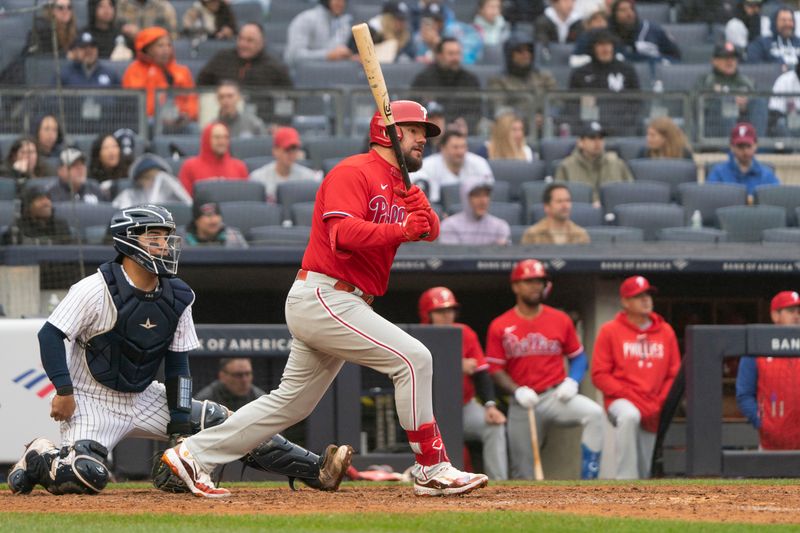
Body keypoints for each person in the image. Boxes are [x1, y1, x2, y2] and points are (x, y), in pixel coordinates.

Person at [160, 100, 489, 498]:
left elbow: (429, 231)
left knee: (290, 404)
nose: (423, 138)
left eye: (425, 132)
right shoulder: (353, 171)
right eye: (415, 130)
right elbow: (343, 235)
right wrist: (402, 228)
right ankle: (432, 465)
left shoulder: (397, 183)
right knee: (413, 358)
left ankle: (193, 454)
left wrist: (421, 215)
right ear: (388, 131)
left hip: (341, 300)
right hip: (326, 293)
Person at [6, 205, 353, 496]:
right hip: (92, 399)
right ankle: (42, 455)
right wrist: (64, 391)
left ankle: (316, 468)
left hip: (144, 396)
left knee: (228, 422)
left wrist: (180, 423)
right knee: (86, 476)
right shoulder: (94, 288)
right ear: (129, 242)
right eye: (153, 237)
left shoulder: (178, 294)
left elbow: (178, 364)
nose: (164, 245)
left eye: (165, 237)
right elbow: (50, 336)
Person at [486, 259, 604, 480]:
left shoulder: (560, 319)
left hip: (556, 395)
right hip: (523, 402)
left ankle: (590, 478)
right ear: (515, 286)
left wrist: (573, 381)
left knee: (594, 414)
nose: (535, 286)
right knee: (523, 471)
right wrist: (516, 390)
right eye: (528, 281)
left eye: (539, 281)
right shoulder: (500, 325)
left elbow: (578, 358)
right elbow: (495, 369)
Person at [591, 275, 681, 479]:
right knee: (630, 415)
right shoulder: (610, 331)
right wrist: (632, 397)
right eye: (638, 296)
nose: (646, 299)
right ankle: (625, 482)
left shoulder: (665, 331)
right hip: (621, 401)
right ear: (625, 302)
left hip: (653, 404)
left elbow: (673, 374)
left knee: (645, 468)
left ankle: (642, 497)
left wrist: (659, 401)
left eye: (648, 294)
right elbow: (599, 375)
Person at [417, 287, 508, 480]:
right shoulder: (419, 336)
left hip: (465, 406)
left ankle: (500, 482)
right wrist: (454, 365)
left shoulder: (464, 332)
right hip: (429, 412)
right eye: (440, 311)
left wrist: (490, 405)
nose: (447, 315)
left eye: (450, 310)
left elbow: (482, 373)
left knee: (494, 425)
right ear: (428, 314)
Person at [736, 290, 800, 450]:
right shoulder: (757, 347)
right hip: (771, 445)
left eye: (799, 312)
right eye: (791, 311)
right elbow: (744, 394)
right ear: (775, 316)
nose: (797, 316)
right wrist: (763, 422)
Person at [196, 23, 293, 124]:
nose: (243, 44)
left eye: (250, 40)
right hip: (222, 123)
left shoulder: (274, 67)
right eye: (241, 39)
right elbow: (201, 85)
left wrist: (280, 123)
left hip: (261, 124)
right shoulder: (222, 58)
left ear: (262, 43)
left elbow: (289, 98)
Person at [568, 29, 640, 136]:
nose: (605, 49)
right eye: (600, 44)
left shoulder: (627, 70)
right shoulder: (580, 73)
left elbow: (637, 102)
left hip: (623, 126)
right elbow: (572, 105)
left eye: (608, 44)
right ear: (593, 48)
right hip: (589, 129)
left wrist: (624, 121)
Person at [122, 27, 198, 124]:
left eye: (169, 45)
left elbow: (192, 101)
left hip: (180, 123)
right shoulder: (134, 71)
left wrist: (187, 115)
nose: (166, 50)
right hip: (147, 123)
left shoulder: (182, 71)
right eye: (160, 46)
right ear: (147, 49)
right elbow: (135, 105)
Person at [488, 33, 557, 137]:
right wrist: (528, 118)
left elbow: (557, 101)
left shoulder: (544, 77)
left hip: (543, 126)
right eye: (520, 51)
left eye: (529, 51)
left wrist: (545, 115)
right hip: (512, 129)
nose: (526, 55)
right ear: (510, 54)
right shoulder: (498, 80)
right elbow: (499, 108)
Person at [694, 42, 766, 139]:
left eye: (733, 58)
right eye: (725, 58)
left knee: (759, 102)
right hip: (714, 128)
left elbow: (758, 104)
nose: (730, 62)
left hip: (744, 123)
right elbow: (695, 106)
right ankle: (731, 147)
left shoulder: (746, 81)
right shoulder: (705, 81)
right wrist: (729, 100)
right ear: (714, 61)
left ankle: (756, 145)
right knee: (727, 104)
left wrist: (745, 103)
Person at [555, 121, 634, 206]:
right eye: (592, 138)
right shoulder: (566, 166)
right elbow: (557, 197)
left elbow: (631, 192)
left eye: (600, 138)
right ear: (580, 142)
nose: (597, 142)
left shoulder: (617, 163)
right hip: (580, 215)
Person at [410, 38, 482, 132]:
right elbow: (414, 109)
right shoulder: (424, 79)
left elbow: (477, 110)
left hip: (462, 132)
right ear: (439, 56)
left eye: (458, 54)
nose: (455, 58)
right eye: (451, 54)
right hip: (432, 132)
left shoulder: (470, 80)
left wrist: (466, 123)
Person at [411, 130, 495, 204]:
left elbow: (490, 190)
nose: (460, 152)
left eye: (463, 147)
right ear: (443, 148)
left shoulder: (479, 163)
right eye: (455, 147)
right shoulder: (428, 165)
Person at [706, 122, 779, 201]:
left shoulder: (766, 175)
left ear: (756, 146)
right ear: (732, 147)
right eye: (740, 146)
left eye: (748, 146)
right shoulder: (718, 173)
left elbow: (776, 199)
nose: (745, 151)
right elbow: (709, 201)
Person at [178, 122, 249, 197]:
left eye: (225, 137)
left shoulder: (240, 167)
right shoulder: (189, 167)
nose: (222, 141)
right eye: (217, 137)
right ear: (206, 139)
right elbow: (186, 200)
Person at [249, 127, 319, 203]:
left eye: (294, 149)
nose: (291, 154)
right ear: (275, 151)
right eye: (287, 149)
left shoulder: (309, 178)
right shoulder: (258, 178)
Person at [439, 177, 511, 245]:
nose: (483, 201)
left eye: (486, 195)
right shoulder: (450, 226)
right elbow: (453, 256)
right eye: (477, 195)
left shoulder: (500, 226)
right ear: (465, 199)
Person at [607, 0, 680, 63]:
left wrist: (659, 62)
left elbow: (675, 57)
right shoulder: (607, 35)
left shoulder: (652, 30)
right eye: (623, 10)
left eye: (631, 9)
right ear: (614, 15)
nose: (629, 13)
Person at [284, 0, 353, 66]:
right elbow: (293, 56)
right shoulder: (306, 19)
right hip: (304, 74)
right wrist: (327, 55)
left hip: (330, 73)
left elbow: (337, 53)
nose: (341, 3)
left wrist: (350, 58)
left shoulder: (344, 24)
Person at [112, 153, 192, 208]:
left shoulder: (173, 200)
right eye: (148, 178)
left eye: (157, 178)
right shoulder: (129, 197)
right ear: (139, 181)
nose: (155, 182)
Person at [521, 183, 590, 245]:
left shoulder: (580, 235)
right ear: (546, 207)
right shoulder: (532, 235)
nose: (565, 206)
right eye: (559, 201)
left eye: (568, 201)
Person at [1, 188, 74, 246]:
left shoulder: (61, 225)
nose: (46, 202)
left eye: (48, 198)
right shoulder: (16, 229)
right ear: (28, 206)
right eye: (40, 199)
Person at [195, 358, 267, 411]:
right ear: (222, 376)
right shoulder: (205, 401)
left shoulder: (260, 400)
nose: (244, 380)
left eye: (248, 374)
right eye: (238, 375)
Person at [182, 201, 248, 248]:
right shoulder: (180, 241)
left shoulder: (234, 237)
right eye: (208, 215)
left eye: (217, 214)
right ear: (196, 220)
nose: (214, 220)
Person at [768, 59, 800, 137]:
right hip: (791, 125)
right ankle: (792, 149)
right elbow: (775, 111)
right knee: (780, 123)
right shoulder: (784, 80)